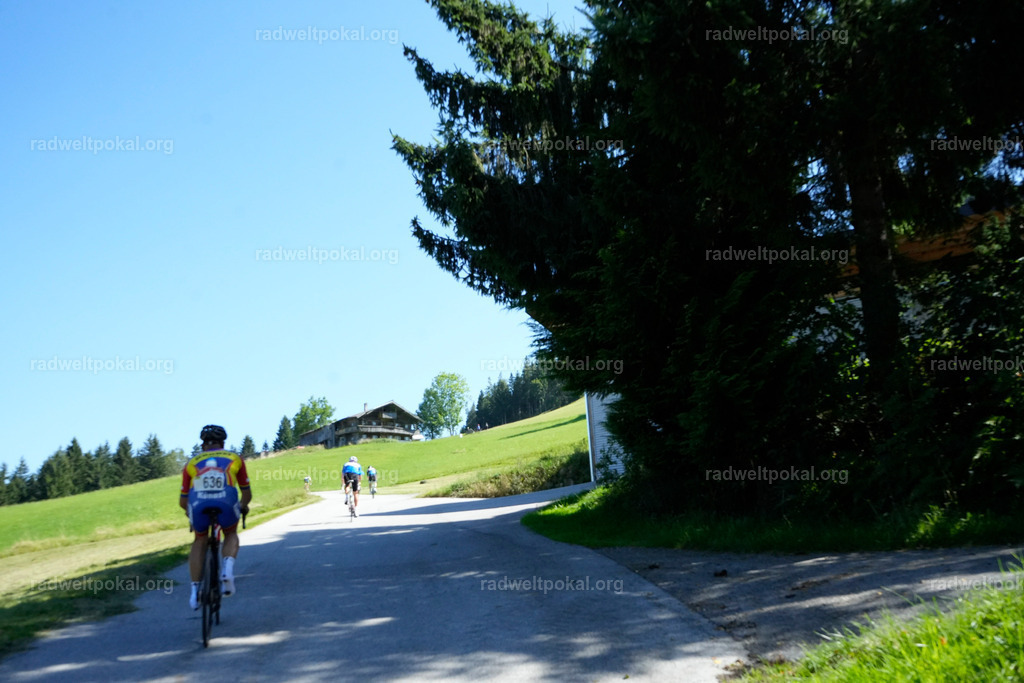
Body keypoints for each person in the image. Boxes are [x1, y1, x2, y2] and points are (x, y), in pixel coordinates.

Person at [180, 424, 251, 610]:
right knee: (230, 532)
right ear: (223, 444)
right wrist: (242, 507)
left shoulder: (191, 463)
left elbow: (182, 500)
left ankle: (195, 593)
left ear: (203, 445)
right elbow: (246, 493)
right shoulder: (235, 458)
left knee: (199, 539)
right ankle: (227, 571)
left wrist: (189, 514)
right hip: (226, 501)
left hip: (198, 503)